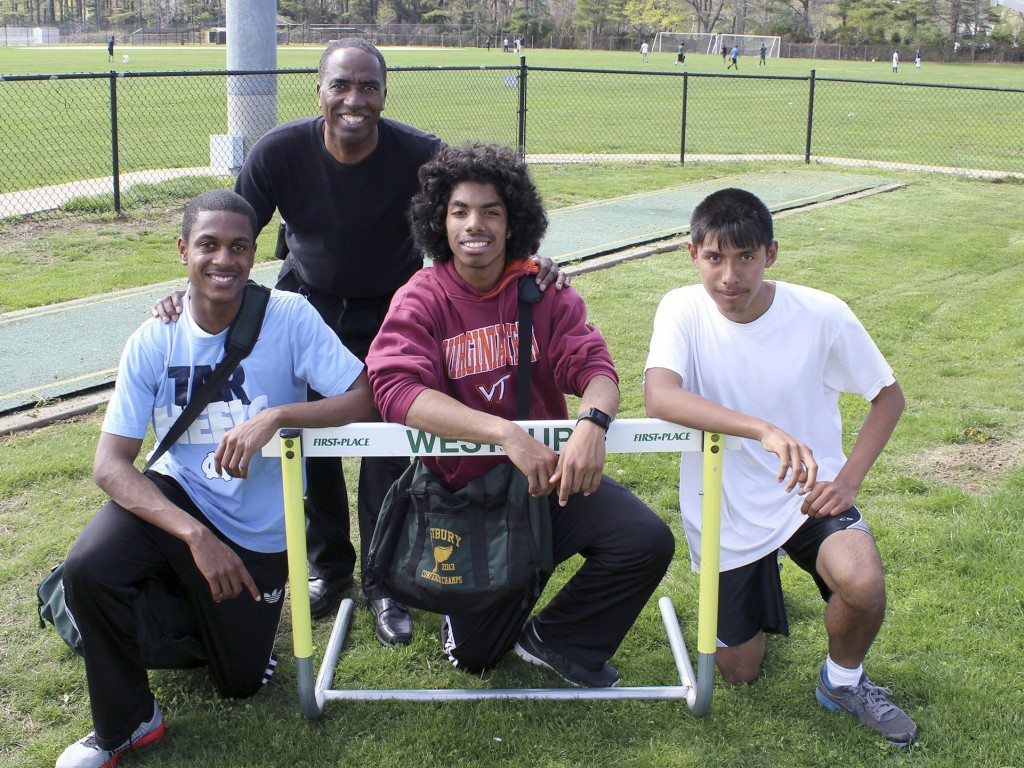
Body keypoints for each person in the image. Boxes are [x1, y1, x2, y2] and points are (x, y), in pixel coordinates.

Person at [150, 39, 566, 646]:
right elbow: (227, 234)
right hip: (311, 304)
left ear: (384, 93)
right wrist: (183, 294)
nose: (354, 99)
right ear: (318, 90)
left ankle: (385, 581)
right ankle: (328, 567)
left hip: (395, 308)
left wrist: (529, 262)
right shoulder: (278, 153)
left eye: (368, 86)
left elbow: (471, 221)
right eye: (341, 85)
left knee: (390, 447)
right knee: (310, 440)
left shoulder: (421, 155)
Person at [56, 190, 376, 768]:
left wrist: (277, 417)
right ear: (183, 251)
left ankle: (213, 621)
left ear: (254, 255)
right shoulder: (156, 335)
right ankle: (127, 723)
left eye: (237, 247)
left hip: (260, 532)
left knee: (240, 684)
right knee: (89, 568)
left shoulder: (289, 316)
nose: (222, 260)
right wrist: (196, 538)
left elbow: (365, 399)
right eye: (207, 245)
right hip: (181, 496)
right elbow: (110, 464)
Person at [367, 143, 674, 688]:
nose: (474, 224)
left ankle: (555, 640)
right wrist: (504, 434)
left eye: (491, 211)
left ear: (514, 221)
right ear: (441, 219)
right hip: (466, 499)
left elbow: (596, 367)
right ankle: (468, 619)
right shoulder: (421, 297)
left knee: (644, 540)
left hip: (544, 482)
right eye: (459, 211)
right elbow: (394, 388)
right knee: (478, 657)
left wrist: (592, 424)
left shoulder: (542, 290)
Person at [643, 188, 918, 746]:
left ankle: (842, 681)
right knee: (741, 672)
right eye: (714, 257)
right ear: (691, 253)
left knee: (863, 583)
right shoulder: (682, 308)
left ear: (771, 253)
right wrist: (763, 429)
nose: (729, 276)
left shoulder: (821, 313)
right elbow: (660, 397)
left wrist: (848, 481)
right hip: (725, 501)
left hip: (807, 493)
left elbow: (887, 396)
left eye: (745, 257)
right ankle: (758, 571)